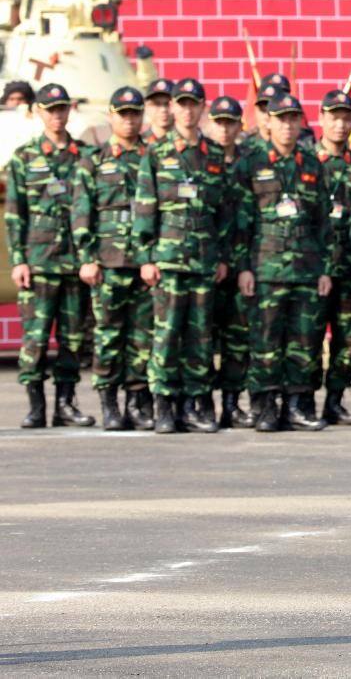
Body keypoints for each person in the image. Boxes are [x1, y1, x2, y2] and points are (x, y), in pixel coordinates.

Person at [134, 78, 232, 434]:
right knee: (166, 334)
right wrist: (146, 256)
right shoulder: (156, 154)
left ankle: (197, 403)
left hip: (204, 260)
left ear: (203, 108)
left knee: (201, 336)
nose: (188, 110)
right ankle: (164, 403)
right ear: (172, 108)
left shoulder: (214, 155)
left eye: (194, 104)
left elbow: (223, 212)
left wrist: (221, 255)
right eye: (182, 104)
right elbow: (145, 208)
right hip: (169, 260)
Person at [233, 93, 332, 432]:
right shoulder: (251, 161)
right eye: (281, 119)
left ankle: (298, 405)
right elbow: (241, 221)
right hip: (265, 269)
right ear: (269, 122)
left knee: (304, 341)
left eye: (293, 119)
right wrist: (243, 267)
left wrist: (324, 269)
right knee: (265, 341)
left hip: (305, 270)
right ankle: (264, 406)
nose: (288, 126)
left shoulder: (311, 163)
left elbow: (323, 222)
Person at [5, 83, 94, 428]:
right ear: (38, 112)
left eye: (61, 108)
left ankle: (66, 404)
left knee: (72, 338)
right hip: (39, 263)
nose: (56, 115)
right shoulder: (24, 158)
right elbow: (15, 214)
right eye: (49, 109)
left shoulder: (85, 156)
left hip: (75, 263)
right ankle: (36, 405)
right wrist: (18, 260)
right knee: (36, 337)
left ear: (69, 110)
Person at [71, 86, 153, 431]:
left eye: (135, 113)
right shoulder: (94, 160)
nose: (130, 120)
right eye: (123, 114)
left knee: (142, 338)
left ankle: (136, 401)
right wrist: (87, 257)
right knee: (107, 336)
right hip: (107, 264)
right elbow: (81, 212)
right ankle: (108, 402)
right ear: (111, 117)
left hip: (144, 264)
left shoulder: (153, 156)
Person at [313, 90, 351, 426]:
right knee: (308, 339)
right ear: (321, 119)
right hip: (315, 270)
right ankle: (302, 402)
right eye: (333, 116)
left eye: (346, 117)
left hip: (349, 268)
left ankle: (335, 400)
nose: (340, 124)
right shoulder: (305, 162)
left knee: (348, 341)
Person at [207, 96, 255, 428]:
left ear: (240, 126)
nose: (225, 129)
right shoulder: (200, 159)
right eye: (219, 122)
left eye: (231, 122)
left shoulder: (250, 163)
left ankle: (232, 403)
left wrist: (245, 263)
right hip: (204, 266)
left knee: (238, 340)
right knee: (199, 339)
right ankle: (199, 404)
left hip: (239, 266)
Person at [141, 79, 175, 144]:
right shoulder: (140, 144)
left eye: (168, 104)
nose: (163, 109)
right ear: (146, 107)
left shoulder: (190, 142)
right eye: (157, 104)